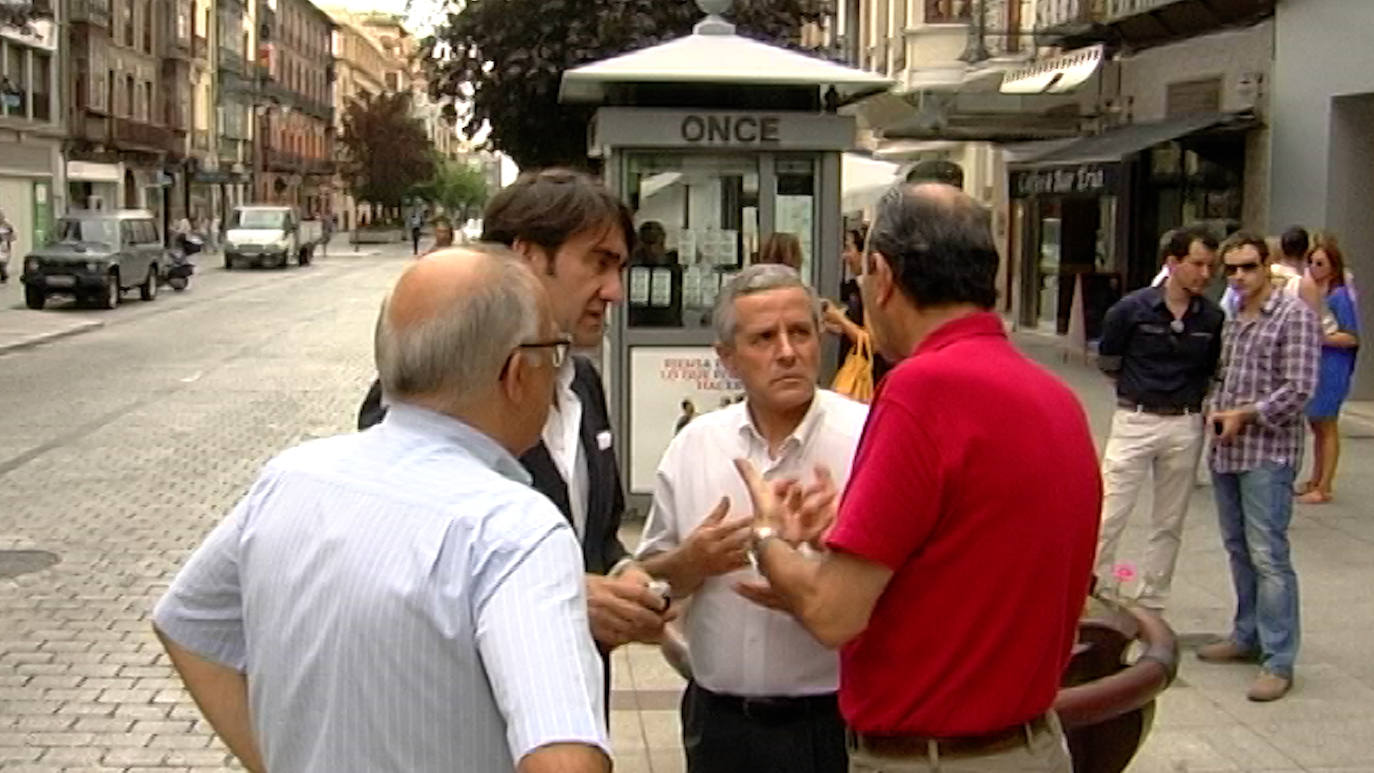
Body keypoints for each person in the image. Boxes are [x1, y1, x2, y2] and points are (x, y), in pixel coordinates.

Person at [153, 246, 610, 773]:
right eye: (554, 353)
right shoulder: (513, 530)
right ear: (515, 375)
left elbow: (186, 624)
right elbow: (564, 760)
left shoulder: (292, 477)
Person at [734, 184, 1100, 771]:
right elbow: (968, 566)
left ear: (881, 274)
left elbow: (834, 613)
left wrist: (767, 538)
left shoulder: (921, 390)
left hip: (939, 754)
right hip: (1033, 742)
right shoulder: (1056, 398)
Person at [356, 169, 670, 693]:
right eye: (599, 262)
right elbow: (396, 572)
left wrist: (622, 576)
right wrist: (567, 597)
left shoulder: (583, 383)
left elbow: (596, 536)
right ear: (526, 258)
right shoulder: (420, 399)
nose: (615, 290)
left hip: (575, 706)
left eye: (621, 268)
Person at [636, 265, 869, 773]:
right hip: (721, 726)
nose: (787, 352)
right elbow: (651, 580)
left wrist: (822, 568)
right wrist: (691, 561)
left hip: (837, 725)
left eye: (801, 333)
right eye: (764, 338)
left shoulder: (869, 438)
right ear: (727, 358)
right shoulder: (695, 445)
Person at [1198, 233, 1319, 702]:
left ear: (1268, 264)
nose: (1239, 276)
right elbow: (1224, 377)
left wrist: (1245, 414)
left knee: (1268, 553)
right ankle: (1246, 633)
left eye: (1248, 266)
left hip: (1268, 453)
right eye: (1231, 269)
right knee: (1237, 547)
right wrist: (1215, 408)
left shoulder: (1294, 317)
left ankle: (1278, 658)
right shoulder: (1234, 318)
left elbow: (1300, 388)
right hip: (1227, 449)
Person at [1094, 227, 1224, 611]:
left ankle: (1153, 595)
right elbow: (1109, 360)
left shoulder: (1212, 317)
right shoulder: (1131, 310)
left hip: (1184, 420)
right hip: (1136, 417)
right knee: (1109, 510)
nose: (1204, 274)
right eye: (1197, 264)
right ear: (1173, 263)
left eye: (1210, 266)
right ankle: (1098, 586)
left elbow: (1211, 366)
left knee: (1170, 519)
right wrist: (1137, 389)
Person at [1297, 234, 1360, 504]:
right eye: (1311, 262)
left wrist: (1321, 338)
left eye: (1320, 263)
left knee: (1327, 423)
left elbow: (1352, 336)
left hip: (1333, 363)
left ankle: (1324, 485)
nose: (1314, 268)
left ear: (1333, 266)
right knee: (1317, 423)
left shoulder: (1339, 296)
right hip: (1319, 360)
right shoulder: (1319, 293)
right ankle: (1316, 478)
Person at [823, 225, 892, 387]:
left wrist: (840, 319)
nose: (844, 256)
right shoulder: (860, 288)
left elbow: (871, 343)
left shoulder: (872, 290)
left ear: (865, 254)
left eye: (849, 248)